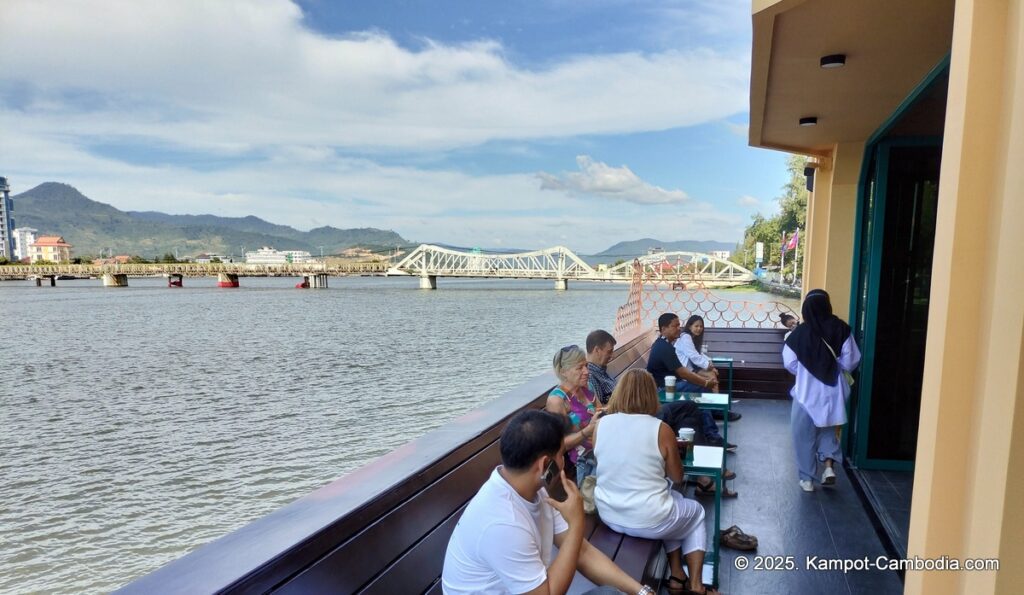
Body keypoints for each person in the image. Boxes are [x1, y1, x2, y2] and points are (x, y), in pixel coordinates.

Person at [442, 410, 651, 595]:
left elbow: (582, 552)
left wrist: (641, 591)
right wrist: (577, 523)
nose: (563, 462)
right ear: (545, 465)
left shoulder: (532, 490)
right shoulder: (502, 522)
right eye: (562, 455)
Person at [593, 370, 718, 595]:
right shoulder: (661, 430)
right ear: (652, 395)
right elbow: (677, 477)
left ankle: (678, 575)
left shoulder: (601, 425)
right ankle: (697, 586)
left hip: (609, 513)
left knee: (674, 503)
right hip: (647, 518)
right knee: (696, 513)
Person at [782, 289, 861, 492]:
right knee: (829, 430)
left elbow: (789, 363)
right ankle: (828, 468)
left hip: (806, 392)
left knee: (803, 435)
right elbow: (852, 360)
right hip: (834, 391)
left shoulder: (798, 333)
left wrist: (806, 370)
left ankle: (807, 479)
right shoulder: (842, 328)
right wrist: (835, 366)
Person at [647, 313, 736, 451]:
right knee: (701, 389)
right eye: (675, 326)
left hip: (671, 387)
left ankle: (712, 433)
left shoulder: (665, 345)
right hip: (663, 391)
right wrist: (705, 383)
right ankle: (712, 432)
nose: (679, 328)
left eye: (679, 325)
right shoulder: (663, 347)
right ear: (663, 328)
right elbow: (683, 373)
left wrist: (703, 381)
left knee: (700, 394)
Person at [546, 345, 601, 486]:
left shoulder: (587, 388)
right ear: (564, 372)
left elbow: (601, 410)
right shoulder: (557, 400)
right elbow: (561, 445)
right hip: (585, 463)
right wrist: (587, 431)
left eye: (586, 366)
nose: (586, 371)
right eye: (580, 368)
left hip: (601, 449)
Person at [674, 315, 719, 392]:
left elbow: (699, 354)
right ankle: (716, 401)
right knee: (711, 377)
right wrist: (708, 366)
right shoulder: (685, 337)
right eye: (696, 326)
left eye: (701, 326)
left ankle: (715, 400)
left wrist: (709, 363)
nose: (699, 328)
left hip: (691, 369)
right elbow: (694, 356)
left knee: (712, 375)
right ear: (689, 326)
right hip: (684, 372)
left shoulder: (692, 337)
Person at [585, 330, 617, 405]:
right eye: (609, 352)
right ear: (597, 350)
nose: (612, 356)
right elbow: (599, 409)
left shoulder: (601, 371)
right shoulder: (590, 378)